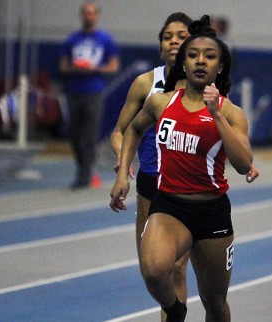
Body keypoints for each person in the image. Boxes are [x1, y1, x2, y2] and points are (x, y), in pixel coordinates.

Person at [110, 15, 255, 322]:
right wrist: (123, 174)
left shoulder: (232, 112)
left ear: (219, 66)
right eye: (193, 56)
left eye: (209, 57)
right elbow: (132, 131)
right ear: (184, 65)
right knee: (153, 270)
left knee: (215, 303)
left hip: (211, 212)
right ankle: (175, 312)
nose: (200, 61)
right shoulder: (160, 103)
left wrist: (216, 115)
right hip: (169, 206)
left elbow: (243, 164)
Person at [110, 12, 193, 322]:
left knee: (175, 269)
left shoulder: (205, 86)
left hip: (186, 190)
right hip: (149, 187)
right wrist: (123, 165)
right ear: (161, 47)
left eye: (181, 36)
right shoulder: (145, 84)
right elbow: (119, 132)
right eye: (167, 36)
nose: (174, 41)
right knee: (152, 272)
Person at [59, 1, 120, 189]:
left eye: (92, 13)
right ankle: (82, 168)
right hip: (74, 91)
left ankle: (85, 175)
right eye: (86, 13)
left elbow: (114, 66)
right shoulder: (71, 40)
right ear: (81, 16)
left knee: (89, 135)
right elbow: (63, 66)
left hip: (94, 92)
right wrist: (76, 68)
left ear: (97, 16)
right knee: (74, 135)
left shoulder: (106, 40)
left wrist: (95, 68)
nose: (89, 16)